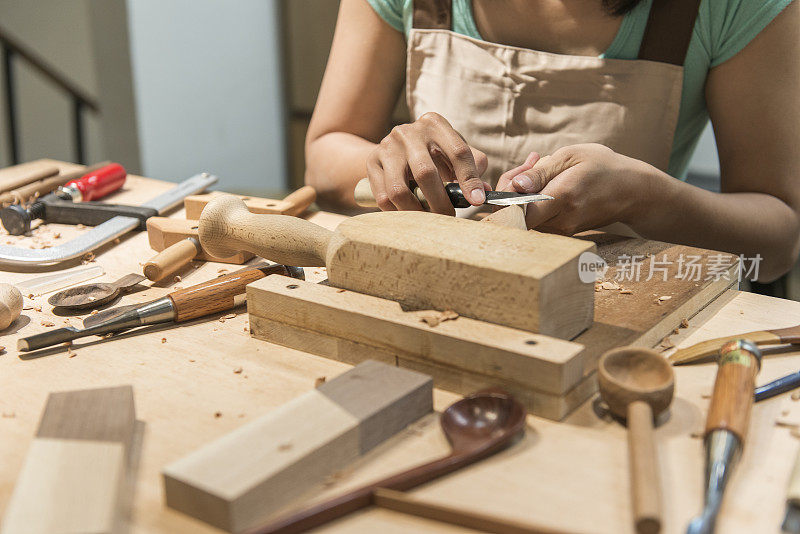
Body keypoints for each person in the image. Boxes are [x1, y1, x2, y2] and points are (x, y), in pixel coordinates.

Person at [304, 0, 800, 282]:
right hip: (435, 284)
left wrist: (650, 198)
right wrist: (395, 167)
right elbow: (325, 155)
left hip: (618, 308)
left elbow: (777, 241)